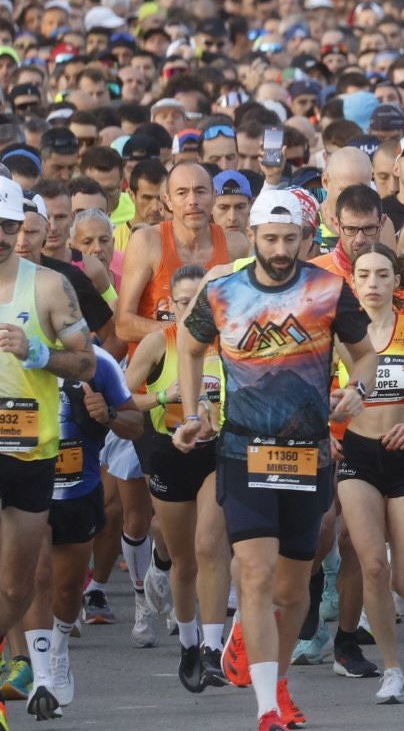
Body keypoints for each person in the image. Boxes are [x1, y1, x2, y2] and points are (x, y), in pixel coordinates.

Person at [170, 189, 377, 731]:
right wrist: (194, 411)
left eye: (290, 239)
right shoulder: (222, 292)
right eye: (271, 239)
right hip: (242, 452)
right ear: (253, 238)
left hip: (308, 455)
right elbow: (189, 347)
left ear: (305, 238)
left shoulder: (329, 289)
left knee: (291, 590)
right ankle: (265, 708)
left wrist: (358, 387)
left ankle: (278, 681)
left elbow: (368, 353)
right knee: (257, 576)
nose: (281, 249)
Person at [0, 175, 98, 727]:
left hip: (29, 451)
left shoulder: (48, 288)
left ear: (20, 229)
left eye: (7, 226)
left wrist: (39, 352)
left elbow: (85, 363)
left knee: (17, 585)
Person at [334, 244, 404, 703]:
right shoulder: (341, 337)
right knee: (372, 565)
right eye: (365, 275)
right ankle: (392, 668)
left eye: (383, 275)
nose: (374, 284)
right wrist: (330, 427)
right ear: (353, 282)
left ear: (395, 281)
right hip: (359, 457)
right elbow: (312, 390)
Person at [123, 264, 232, 693]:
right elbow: (120, 398)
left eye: (202, 302)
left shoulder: (228, 344)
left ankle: (212, 647)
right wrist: (161, 396)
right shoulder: (157, 343)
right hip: (169, 456)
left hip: (217, 455)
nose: (193, 311)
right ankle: (188, 645)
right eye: (185, 303)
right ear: (171, 305)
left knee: (210, 545)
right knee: (183, 561)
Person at [28, 344, 140, 716]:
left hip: (78, 488)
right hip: (24, 484)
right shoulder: (10, 352)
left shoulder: (96, 361)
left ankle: (58, 650)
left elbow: (134, 425)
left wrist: (106, 414)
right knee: (38, 576)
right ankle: (42, 677)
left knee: (67, 585)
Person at [117, 163, 246, 342]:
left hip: (216, 365)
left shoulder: (237, 245)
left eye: (200, 191)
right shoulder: (146, 242)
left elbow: (250, 314)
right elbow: (123, 325)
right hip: (159, 364)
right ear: (168, 201)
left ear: (214, 196)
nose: (192, 200)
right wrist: (190, 331)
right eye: (182, 193)